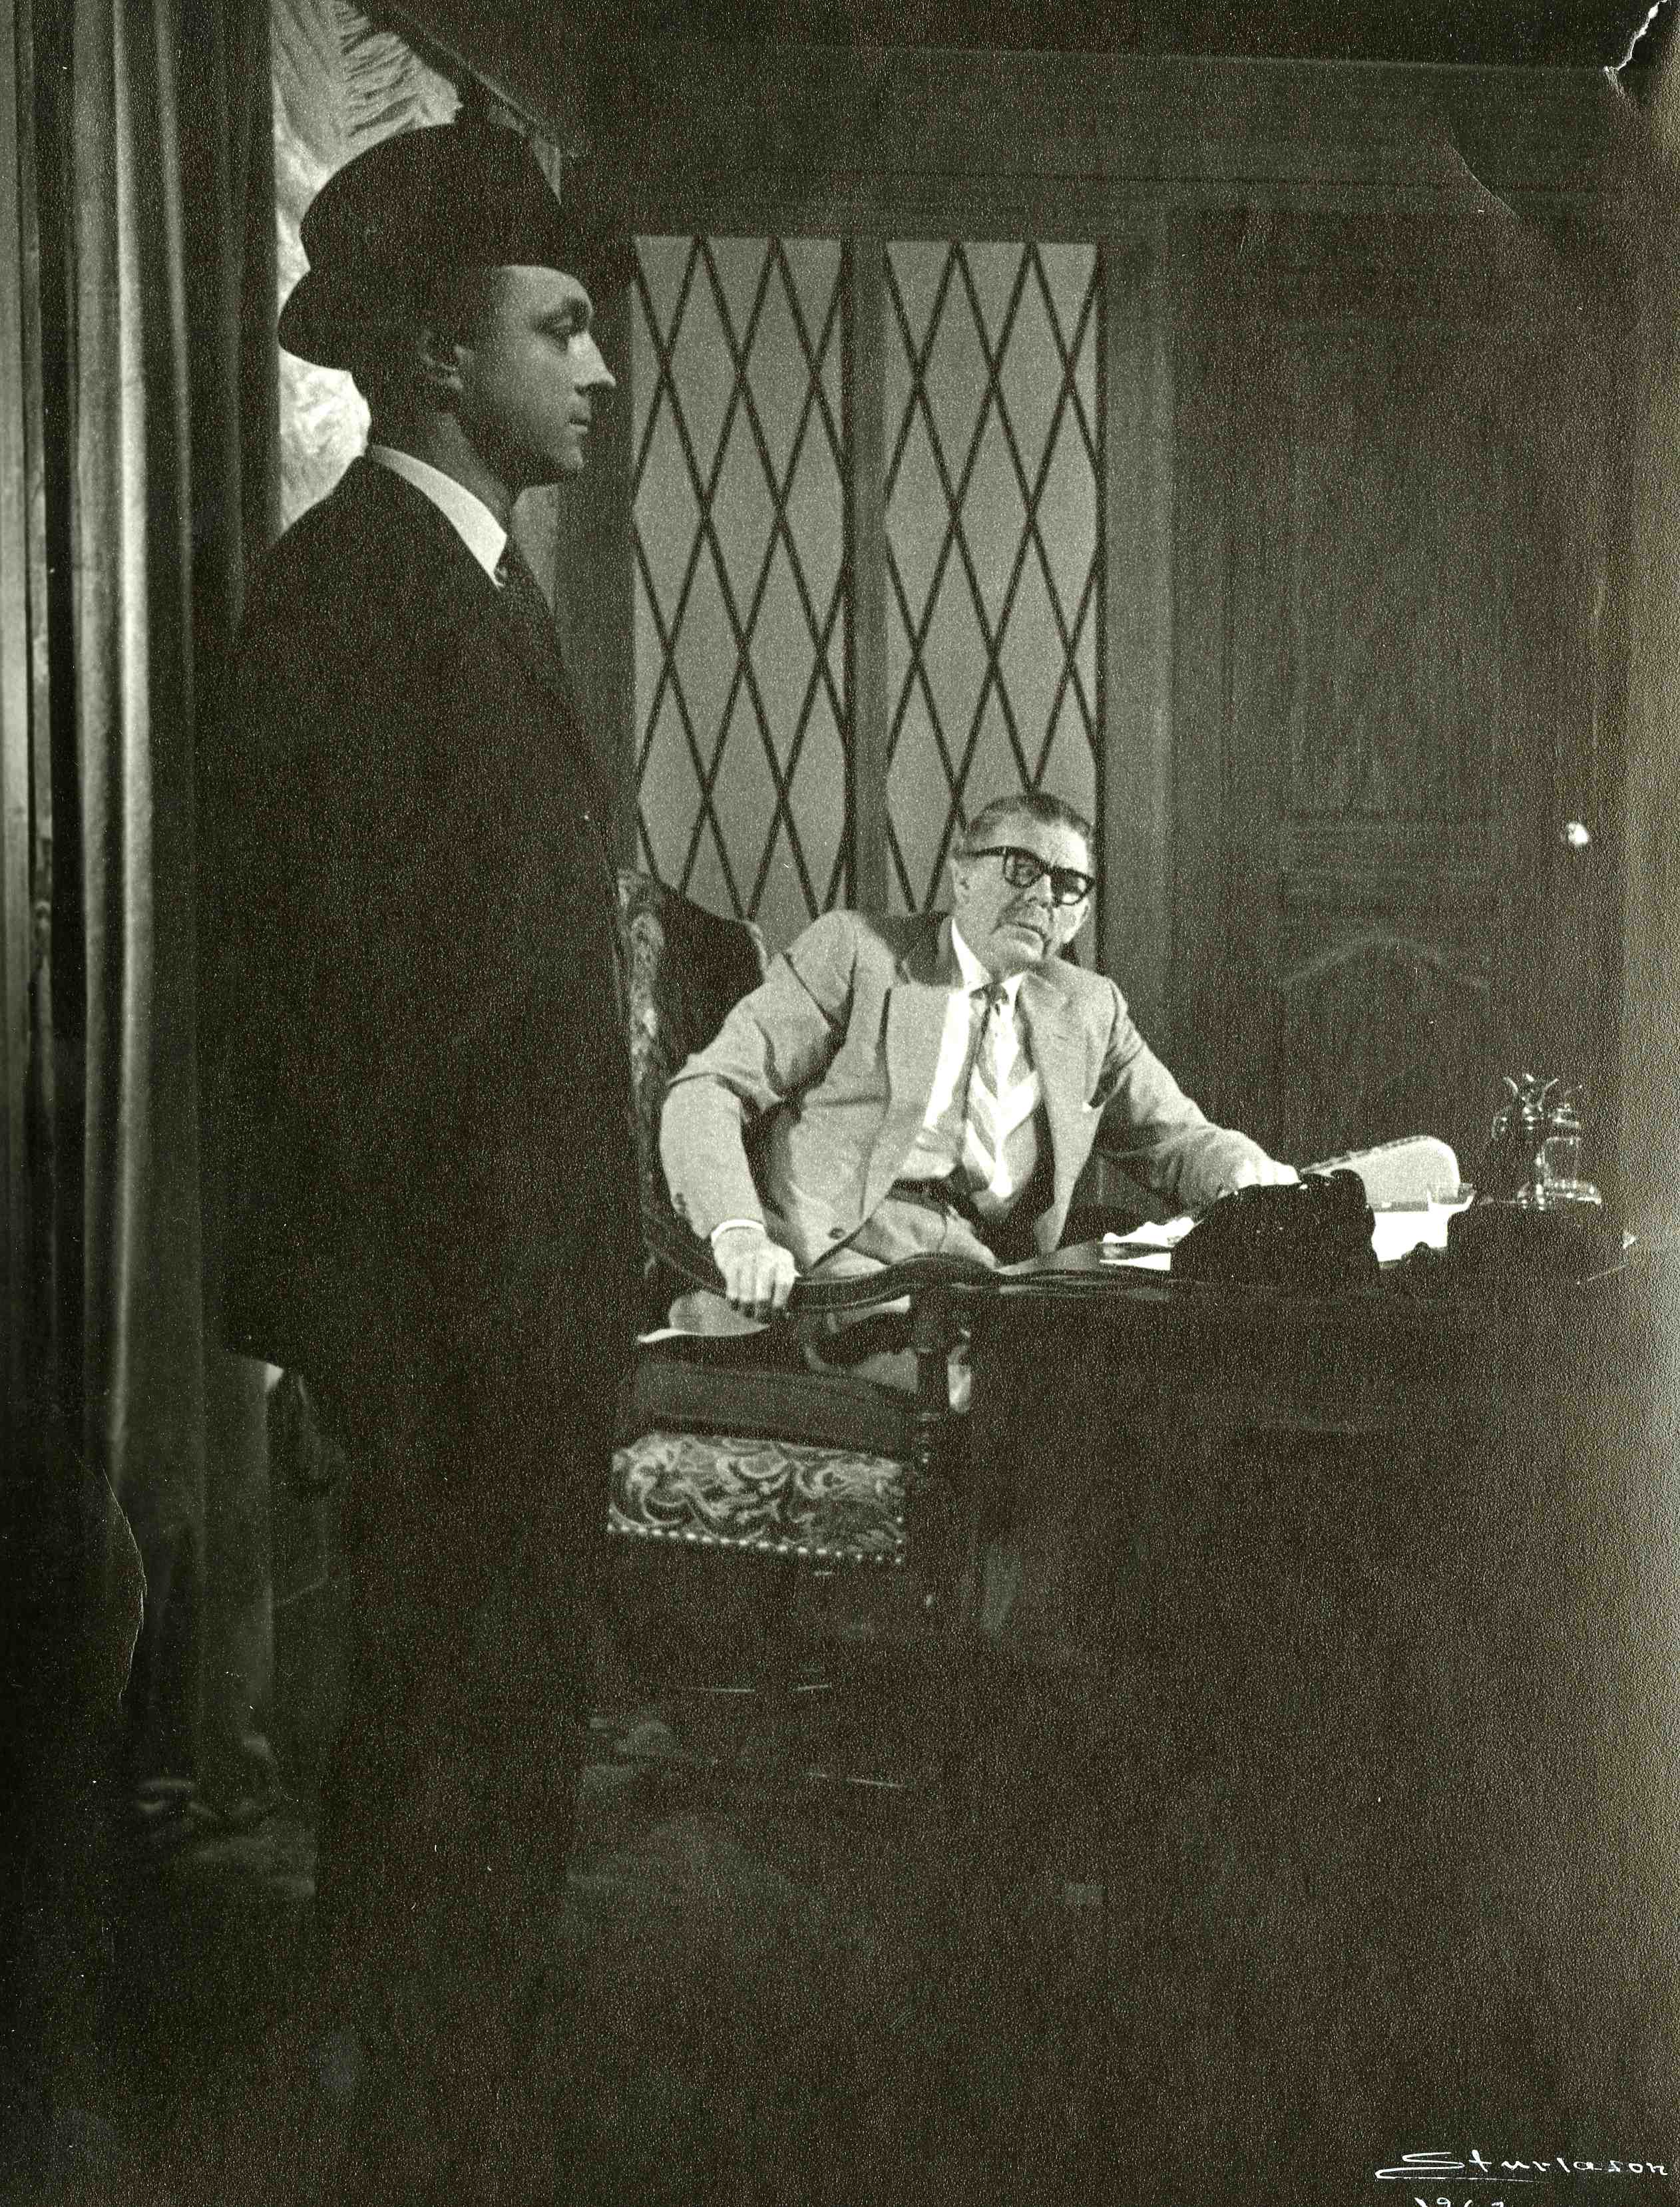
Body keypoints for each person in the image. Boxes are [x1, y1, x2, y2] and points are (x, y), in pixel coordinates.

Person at [197, 118, 640, 2200]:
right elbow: (323, 1012)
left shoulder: (462, 577)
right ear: (442, 359)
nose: (598, 367)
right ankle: (424, 2125)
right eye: (557, 329)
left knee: (482, 1727)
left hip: (510, 1291)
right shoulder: (351, 601)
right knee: (454, 1730)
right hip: (449, 1306)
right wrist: (373, 1338)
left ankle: (440, 2104)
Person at [658, 791, 1295, 1662]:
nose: (1042, 897)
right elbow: (707, 1090)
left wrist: (1254, 1177)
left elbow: (1177, 1138)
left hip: (994, 1301)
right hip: (843, 1294)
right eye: (1020, 868)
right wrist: (738, 1233)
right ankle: (1016, 1675)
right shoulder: (862, 954)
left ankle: (1085, 1669)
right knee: (1062, 1404)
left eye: (1068, 885)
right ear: (961, 875)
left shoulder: (1089, 1008)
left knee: (1158, 1389)